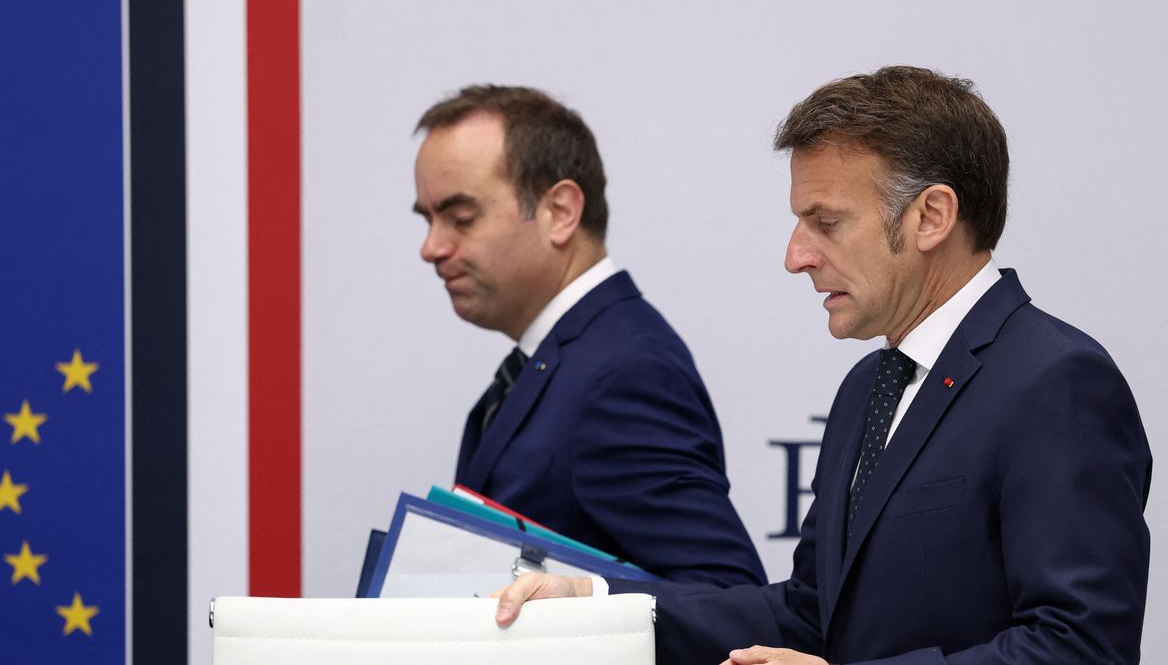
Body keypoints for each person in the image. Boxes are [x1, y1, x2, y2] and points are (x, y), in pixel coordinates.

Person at [493, 66, 1152, 664]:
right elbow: (810, 612)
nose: (795, 255)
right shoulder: (868, 386)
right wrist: (604, 603)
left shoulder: (1057, 381)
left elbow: (1081, 646)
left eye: (826, 223)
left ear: (932, 216)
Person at [411, 85, 766, 586]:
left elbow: (724, 593)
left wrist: (586, 596)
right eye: (427, 219)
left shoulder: (622, 372)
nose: (431, 247)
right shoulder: (571, 358)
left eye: (461, 217)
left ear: (560, 211)